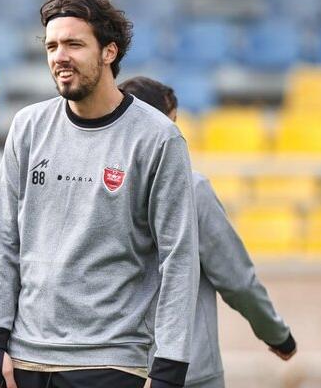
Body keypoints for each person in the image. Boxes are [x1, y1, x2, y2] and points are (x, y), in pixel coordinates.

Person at [0, 0, 200, 388]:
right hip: (26, 359)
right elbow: (2, 241)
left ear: (109, 52)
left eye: (74, 44)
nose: (59, 56)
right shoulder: (28, 127)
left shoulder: (157, 138)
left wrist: (169, 368)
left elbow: (178, 257)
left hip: (111, 362)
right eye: (52, 46)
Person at [118, 76, 297, 388]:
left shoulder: (94, 186)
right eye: (172, 121)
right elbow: (237, 280)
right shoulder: (191, 189)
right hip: (187, 370)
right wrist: (277, 335)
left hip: (108, 365)